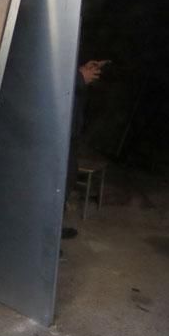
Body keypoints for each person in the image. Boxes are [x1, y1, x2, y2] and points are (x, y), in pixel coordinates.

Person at [63, 59, 110, 240]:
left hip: (70, 134)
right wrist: (80, 77)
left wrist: (81, 71)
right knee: (54, 185)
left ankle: (53, 228)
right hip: (57, 133)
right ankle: (43, 242)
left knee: (68, 180)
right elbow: (56, 79)